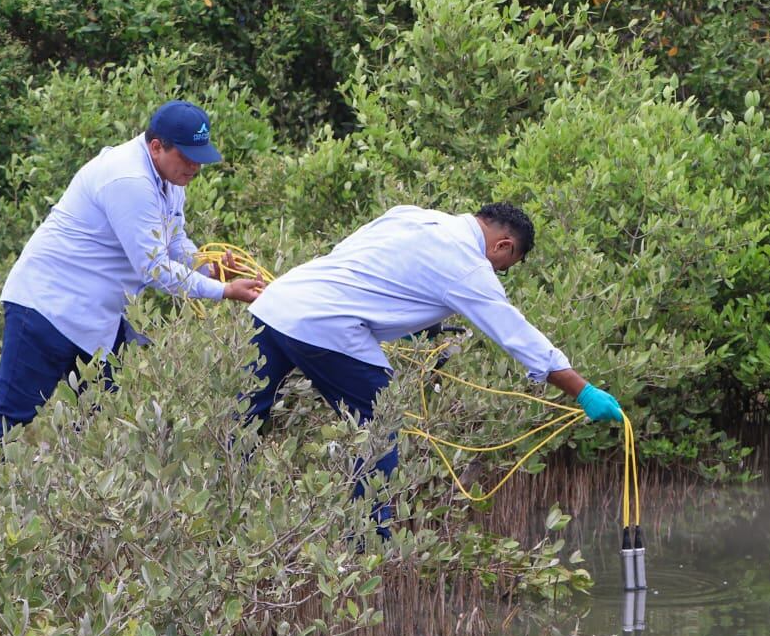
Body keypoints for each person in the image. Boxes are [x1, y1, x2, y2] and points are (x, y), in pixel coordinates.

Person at [243, 202, 623, 525]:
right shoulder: (470, 267)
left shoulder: (413, 215)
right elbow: (516, 334)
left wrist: (411, 320)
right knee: (379, 425)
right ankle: (369, 543)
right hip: (325, 324)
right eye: (506, 267)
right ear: (503, 246)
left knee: (241, 424)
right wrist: (582, 390)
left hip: (276, 304)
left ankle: (223, 517)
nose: (499, 275)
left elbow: (364, 262)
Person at [0, 100, 264, 460]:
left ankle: (76, 509)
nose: (196, 166)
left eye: (200, 156)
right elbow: (154, 268)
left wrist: (209, 266)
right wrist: (222, 291)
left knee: (101, 420)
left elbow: (173, 243)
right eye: (187, 156)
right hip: (46, 307)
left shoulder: (173, 179)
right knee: (12, 414)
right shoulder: (129, 179)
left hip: (97, 319)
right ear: (156, 146)